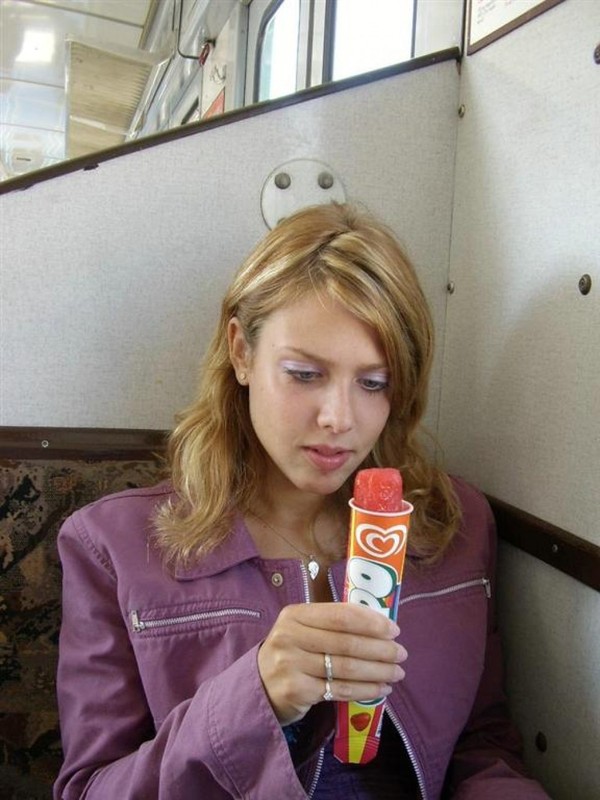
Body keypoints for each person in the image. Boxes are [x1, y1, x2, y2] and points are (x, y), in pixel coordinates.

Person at [54, 202, 550, 799]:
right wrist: (253, 698)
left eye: (374, 382)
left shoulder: (456, 525)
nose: (339, 418)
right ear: (241, 352)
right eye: (305, 374)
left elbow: (482, 749)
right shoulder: (114, 546)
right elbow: (90, 789)